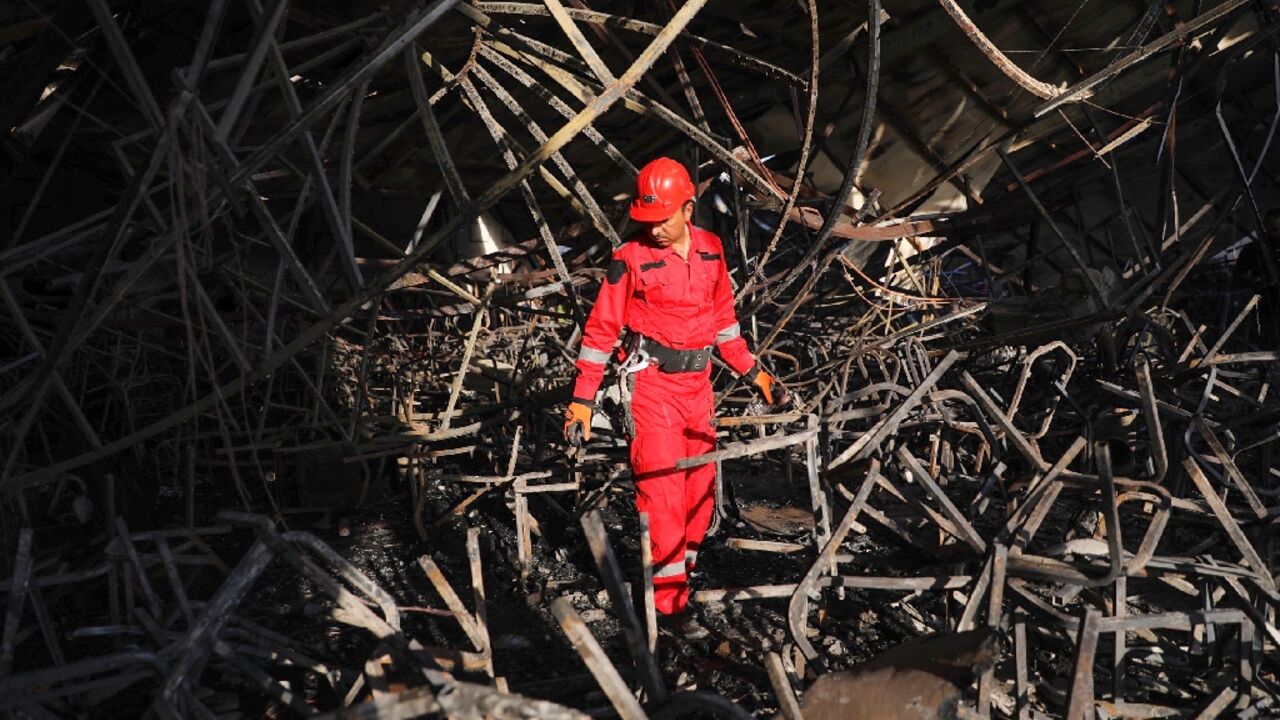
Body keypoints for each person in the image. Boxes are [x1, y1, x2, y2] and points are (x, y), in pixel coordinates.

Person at [563, 157, 781, 639]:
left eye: (662, 218)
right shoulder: (629, 258)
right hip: (652, 388)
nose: (654, 228)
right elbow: (601, 332)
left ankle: (677, 573)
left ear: (688, 209)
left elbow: (725, 323)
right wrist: (582, 398)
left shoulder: (711, 251)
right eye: (646, 219)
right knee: (661, 495)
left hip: (698, 387)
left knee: (700, 493)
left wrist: (754, 373)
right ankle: (669, 607)